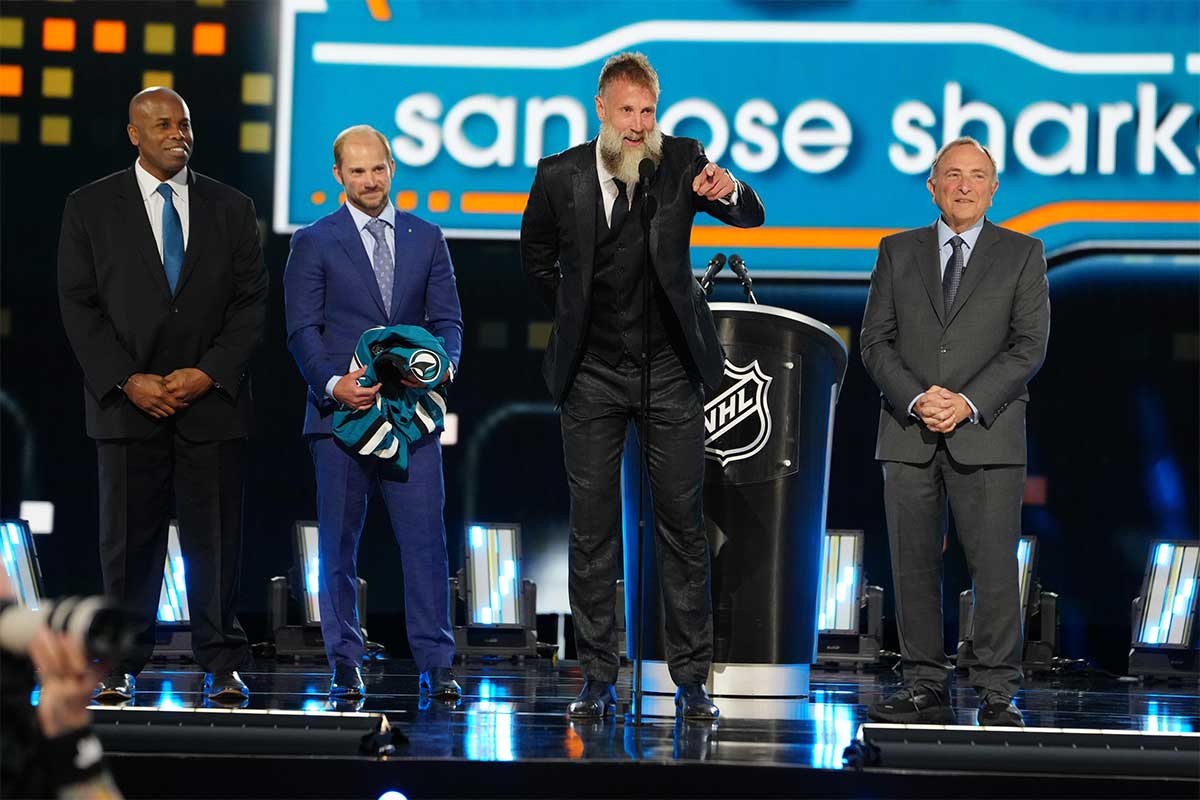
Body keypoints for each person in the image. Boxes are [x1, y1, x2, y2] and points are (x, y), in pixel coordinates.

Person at [519, 52, 765, 721]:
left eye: (648, 111)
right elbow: (536, 254)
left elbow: (751, 217)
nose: (638, 123)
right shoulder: (559, 175)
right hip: (592, 374)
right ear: (601, 108)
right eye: (627, 110)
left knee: (682, 528)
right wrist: (576, 312)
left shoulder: (682, 160)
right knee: (593, 531)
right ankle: (598, 676)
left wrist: (732, 189)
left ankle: (690, 680)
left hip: (670, 372)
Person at [57, 87, 268, 702]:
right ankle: (120, 663)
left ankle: (221, 660)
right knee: (127, 545)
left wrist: (209, 372)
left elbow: (251, 303)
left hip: (213, 402)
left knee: (218, 542)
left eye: (184, 123)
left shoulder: (232, 207)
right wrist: (126, 378)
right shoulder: (90, 206)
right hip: (127, 405)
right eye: (162, 124)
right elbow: (78, 303)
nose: (178, 133)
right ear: (134, 134)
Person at [860, 136, 1050, 728]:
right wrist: (919, 398)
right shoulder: (897, 251)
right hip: (908, 432)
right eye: (952, 174)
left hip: (987, 433)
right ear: (932, 185)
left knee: (993, 567)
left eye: (976, 176)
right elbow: (874, 341)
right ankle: (924, 684)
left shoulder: (1024, 254)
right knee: (913, 566)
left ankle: (997, 691)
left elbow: (1028, 348)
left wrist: (966, 402)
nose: (963, 185)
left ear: (994, 189)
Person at [283, 125, 464, 701]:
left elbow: (448, 325)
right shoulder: (314, 241)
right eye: (356, 171)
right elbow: (301, 330)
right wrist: (335, 384)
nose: (369, 180)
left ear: (393, 168)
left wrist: (438, 369)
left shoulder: (427, 237)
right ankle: (344, 660)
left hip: (412, 419)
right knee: (336, 545)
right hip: (340, 419)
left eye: (378, 168)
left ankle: (437, 665)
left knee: (426, 545)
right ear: (338, 176)